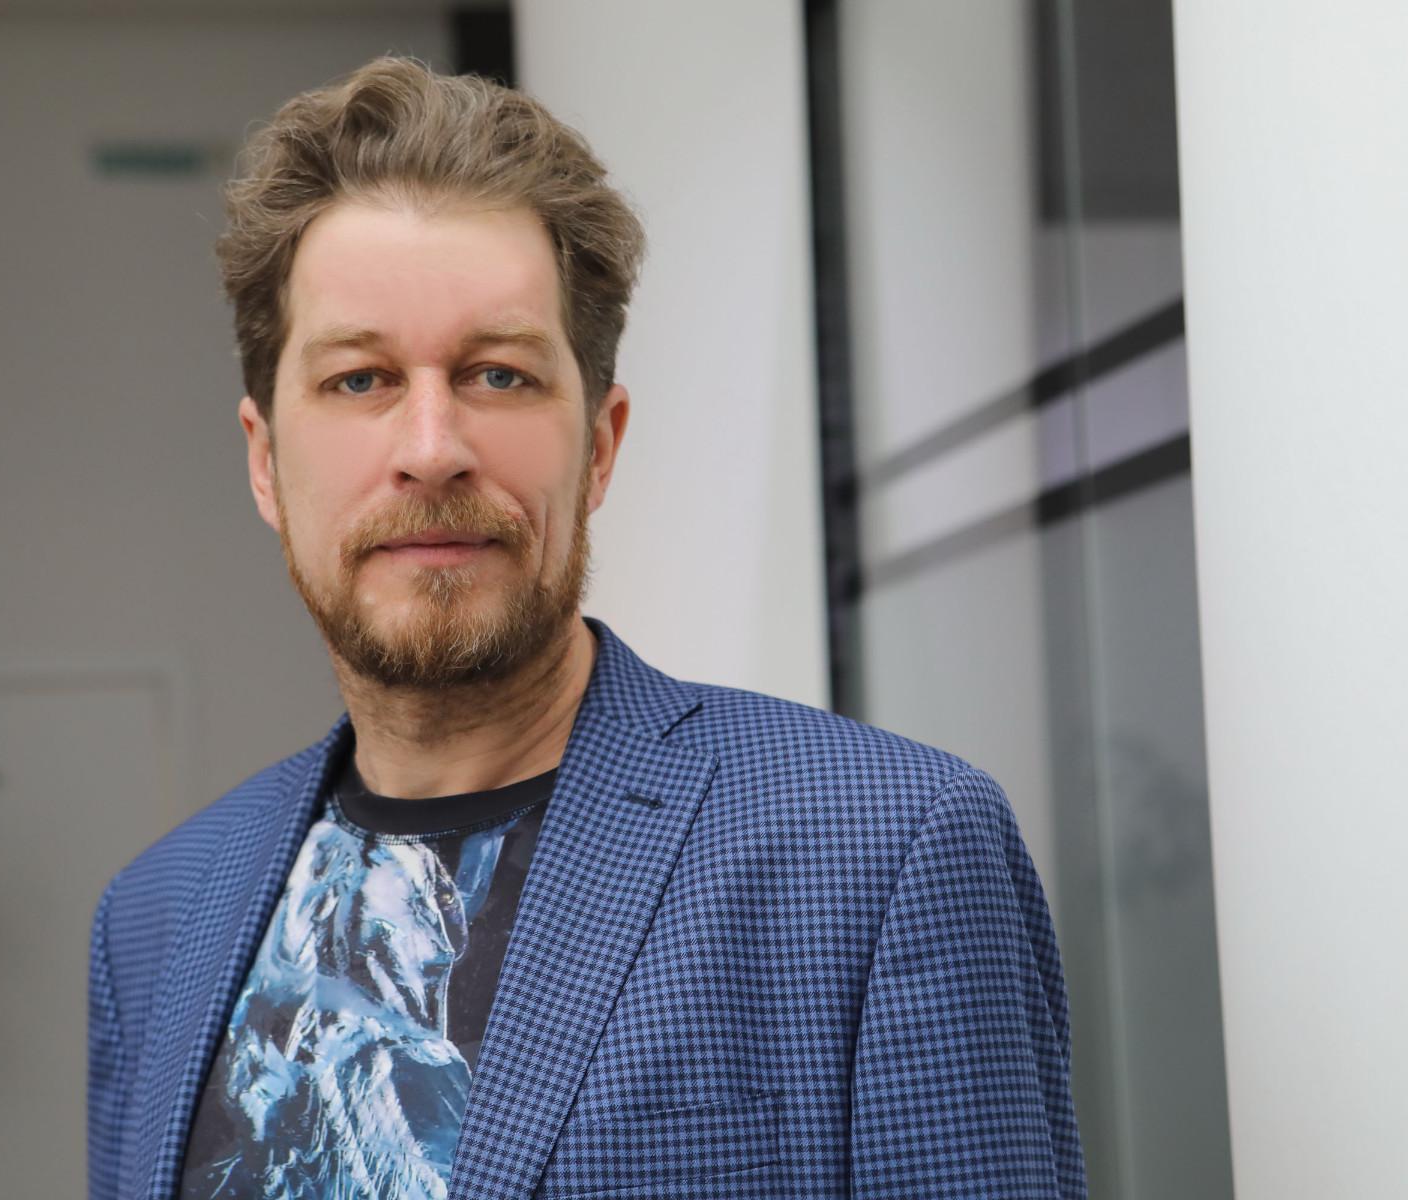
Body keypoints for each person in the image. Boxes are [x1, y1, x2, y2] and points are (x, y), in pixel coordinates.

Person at [87, 56, 1085, 1200]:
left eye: (498, 376)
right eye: (360, 380)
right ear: (265, 462)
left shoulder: (883, 853)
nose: (432, 448)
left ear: (600, 446)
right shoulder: (153, 923)